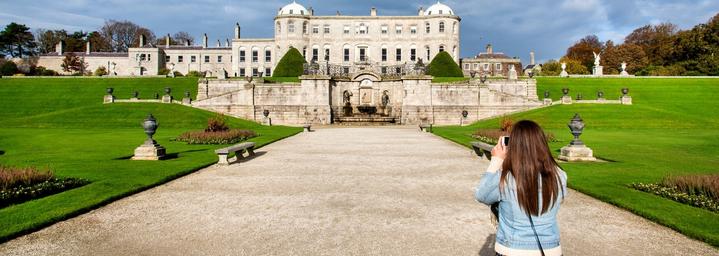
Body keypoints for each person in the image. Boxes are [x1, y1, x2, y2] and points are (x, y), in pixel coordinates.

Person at [475, 120, 568, 256]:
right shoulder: (559, 175)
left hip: (513, 248)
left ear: (514, 146)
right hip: (550, 248)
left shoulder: (506, 178)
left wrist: (496, 161)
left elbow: (481, 195)